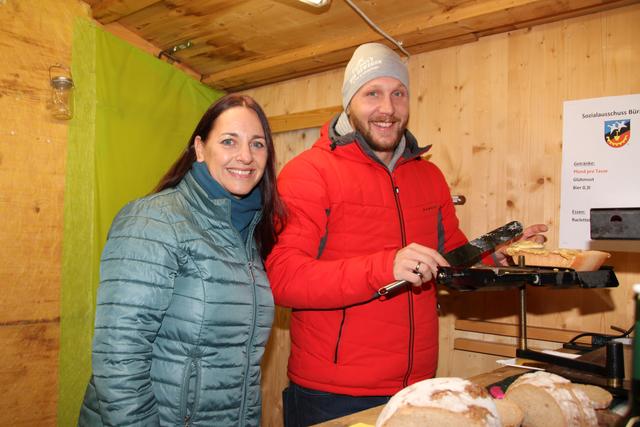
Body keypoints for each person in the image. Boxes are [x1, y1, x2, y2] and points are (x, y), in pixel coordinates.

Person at [265, 43, 547, 426]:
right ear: (349, 101)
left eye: (398, 93)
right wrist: (385, 267)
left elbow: (451, 257)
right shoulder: (309, 172)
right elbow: (283, 278)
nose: (388, 108)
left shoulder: (428, 176)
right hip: (332, 395)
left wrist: (495, 259)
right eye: (372, 93)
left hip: (418, 388)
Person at [78, 94, 285, 427]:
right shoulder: (155, 220)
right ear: (200, 148)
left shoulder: (247, 232)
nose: (245, 156)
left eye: (257, 144)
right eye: (229, 141)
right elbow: (119, 358)